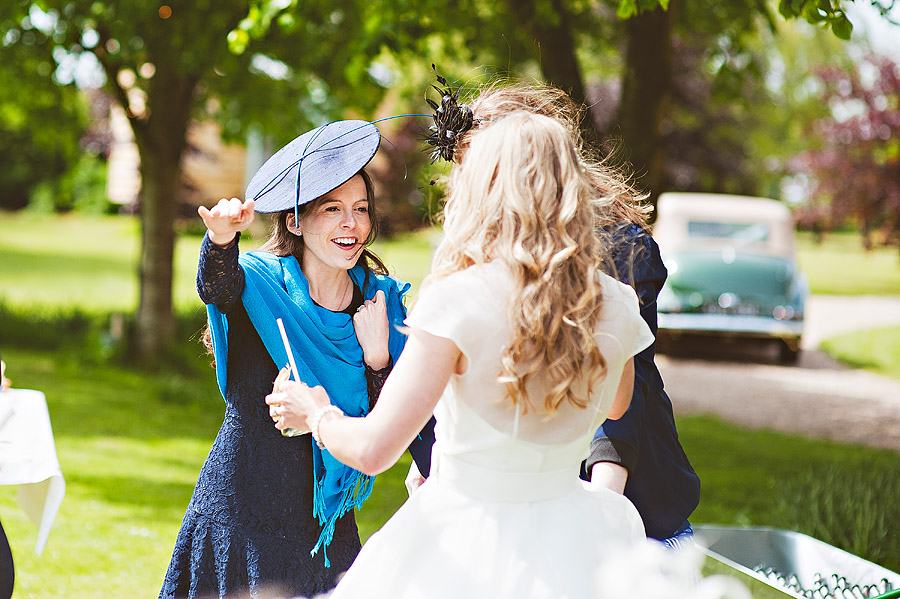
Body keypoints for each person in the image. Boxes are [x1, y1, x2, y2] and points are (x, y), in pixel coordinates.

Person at [266, 110, 655, 598]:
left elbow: (372, 450)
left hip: (467, 538)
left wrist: (317, 414)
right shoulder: (615, 304)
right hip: (573, 535)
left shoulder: (458, 299)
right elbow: (615, 406)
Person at [414, 81, 701, 547]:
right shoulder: (484, 259)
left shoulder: (614, 251)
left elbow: (620, 393)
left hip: (632, 505)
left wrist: (605, 506)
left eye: (479, 169)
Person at [159, 120, 434, 599]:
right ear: (294, 221)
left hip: (326, 533)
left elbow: (409, 423)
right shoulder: (258, 285)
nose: (351, 224)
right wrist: (221, 240)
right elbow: (217, 287)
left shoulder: (381, 306)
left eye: (361, 210)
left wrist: (379, 360)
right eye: (333, 210)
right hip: (240, 518)